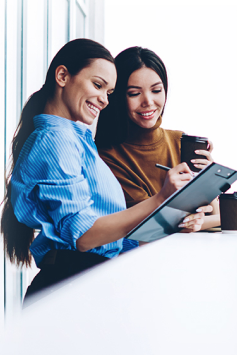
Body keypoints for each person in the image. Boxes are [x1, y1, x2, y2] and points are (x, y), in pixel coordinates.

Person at [1, 39, 212, 302]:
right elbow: (84, 236)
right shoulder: (56, 140)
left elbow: (113, 239)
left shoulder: (77, 140)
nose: (103, 99)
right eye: (98, 85)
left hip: (90, 282)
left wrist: (177, 222)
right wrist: (161, 200)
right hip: (70, 287)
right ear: (63, 76)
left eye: (109, 93)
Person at [95, 46, 237, 234]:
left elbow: (210, 218)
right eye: (134, 93)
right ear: (119, 97)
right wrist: (236, 219)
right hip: (145, 255)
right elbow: (148, 224)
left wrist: (209, 182)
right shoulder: (107, 156)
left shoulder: (181, 141)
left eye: (156, 90)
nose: (148, 101)